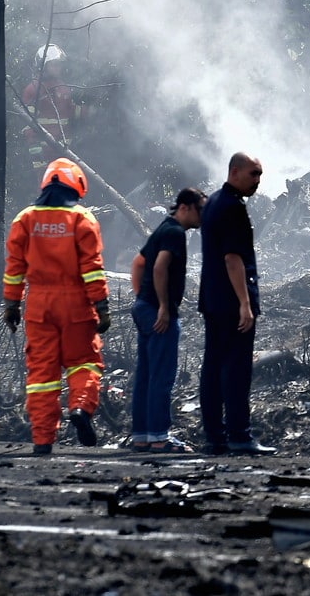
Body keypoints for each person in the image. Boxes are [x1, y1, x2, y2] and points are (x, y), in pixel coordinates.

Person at [3, 158, 110, 456]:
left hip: (38, 305)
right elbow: (92, 268)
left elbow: (14, 267)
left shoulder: (24, 219)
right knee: (84, 362)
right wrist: (102, 305)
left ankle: (42, 439)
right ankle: (80, 408)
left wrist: (11, 304)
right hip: (76, 303)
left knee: (41, 374)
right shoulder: (82, 219)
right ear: (76, 185)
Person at [199, 152, 275, 455]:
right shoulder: (232, 208)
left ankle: (215, 435)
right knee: (236, 368)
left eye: (259, 175)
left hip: (213, 299)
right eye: (253, 174)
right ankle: (239, 435)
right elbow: (233, 258)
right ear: (235, 172)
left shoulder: (214, 202)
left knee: (213, 366)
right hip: (231, 303)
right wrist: (245, 303)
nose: (257, 181)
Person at [128, 187, 205, 454]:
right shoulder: (174, 232)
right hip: (158, 312)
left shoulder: (163, 229)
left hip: (144, 308)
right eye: (200, 209)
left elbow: (139, 263)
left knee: (146, 375)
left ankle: (142, 436)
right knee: (161, 376)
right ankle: (159, 438)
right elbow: (159, 266)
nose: (202, 216)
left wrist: (143, 299)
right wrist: (162, 306)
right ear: (185, 207)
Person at [21, 43, 84, 172]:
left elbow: (70, 111)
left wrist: (93, 112)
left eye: (59, 64)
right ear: (43, 66)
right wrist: (38, 158)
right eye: (54, 64)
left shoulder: (62, 87)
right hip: (45, 155)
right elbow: (29, 125)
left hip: (66, 153)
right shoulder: (34, 89)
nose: (58, 68)